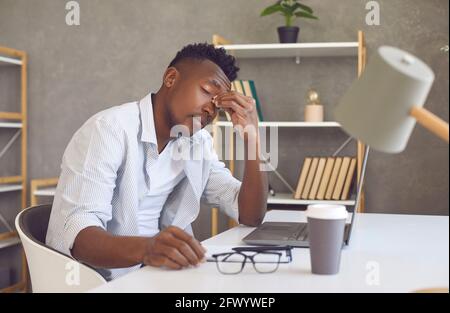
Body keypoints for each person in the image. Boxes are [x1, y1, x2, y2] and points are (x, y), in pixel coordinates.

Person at [46, 43, 268, 280]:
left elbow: (250, 214)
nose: (210, 110)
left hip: (155, 276)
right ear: (171, 78)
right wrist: (148, 249)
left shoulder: (197, 143)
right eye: (206, 91)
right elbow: (79, 236)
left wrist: (253, 138)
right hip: (96, 281)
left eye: (217, 105)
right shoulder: (108, 130)